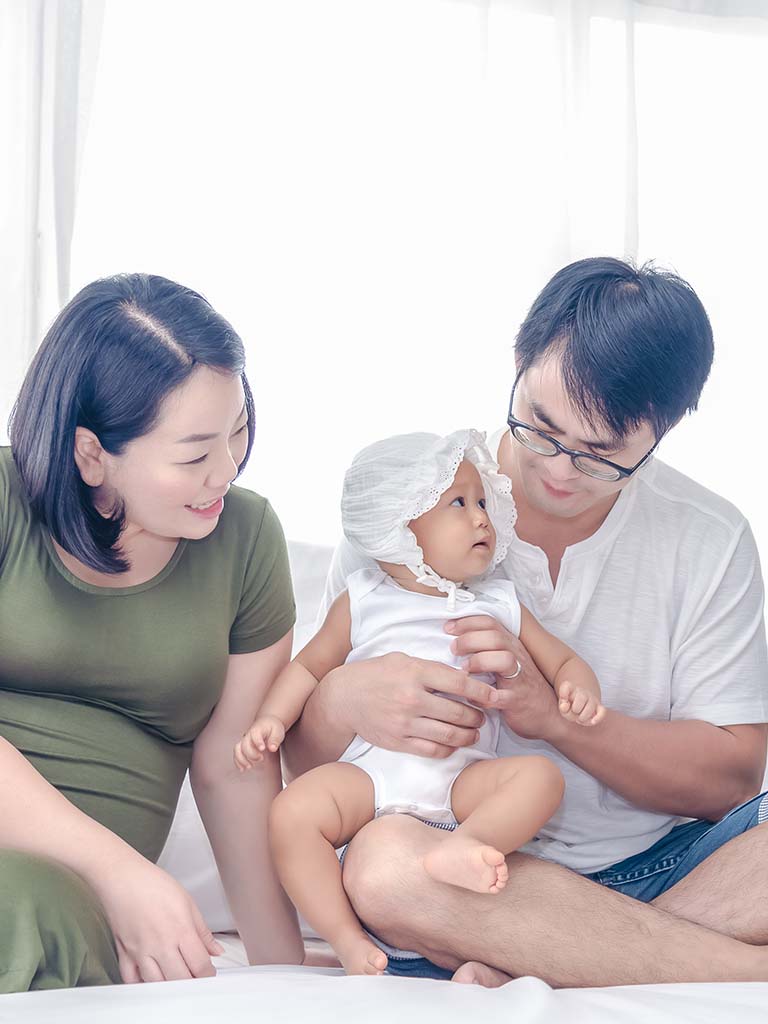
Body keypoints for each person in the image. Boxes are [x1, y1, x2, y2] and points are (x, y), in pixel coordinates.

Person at [282, 257, 768, 986]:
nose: (561, 471)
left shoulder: (710, 536)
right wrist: (343, 699)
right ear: (518, 360)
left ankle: (550, 953)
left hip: (668, 867)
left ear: (663, 431)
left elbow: (731, 780)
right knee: (383, 867)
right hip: (464, 871)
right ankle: (728, 968)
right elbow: (309, 774)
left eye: (603, 455)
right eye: (542, 428)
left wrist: (559, 719)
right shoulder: (410, 506)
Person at [0, 273, 305, 992]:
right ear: (90, 454)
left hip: (75, 908)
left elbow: (235, 771)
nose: (225, 471)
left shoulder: (247, 538)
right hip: (79, 890)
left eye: (237, 432)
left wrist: (283, 974)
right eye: (195, 454)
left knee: (38, 907)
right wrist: (118, 873)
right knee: (26, 905)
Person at [235, 430, 604, 975]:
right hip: (372, 778)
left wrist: (577, 686)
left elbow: (562, 660)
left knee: (541, 779)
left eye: (482, 503)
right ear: (402, 522)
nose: (482, 518)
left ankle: (471, 846)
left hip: (462, 783)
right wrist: (270, 717)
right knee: (291, 813)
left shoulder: (501, 602)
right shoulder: (362, 598)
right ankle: (346, 939)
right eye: (459, 502)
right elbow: (309, 667)